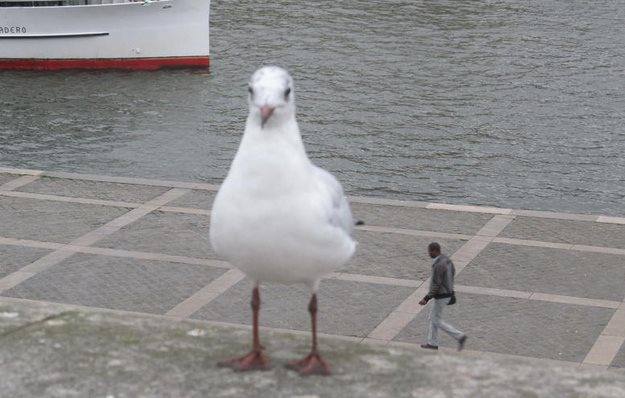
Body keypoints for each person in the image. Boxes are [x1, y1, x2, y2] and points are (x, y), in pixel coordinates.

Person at [419, 242, 467, 351]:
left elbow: (436, 283)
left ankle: (459, 336)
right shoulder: (447, 260)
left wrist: (426, 298)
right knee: (433, 318)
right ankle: (432, 343)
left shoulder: (439, 265)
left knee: (435, 319)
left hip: (441, 295)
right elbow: (452, 274)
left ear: (435, 250)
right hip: (448, 293)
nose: (429, 254)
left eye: (430, 251)